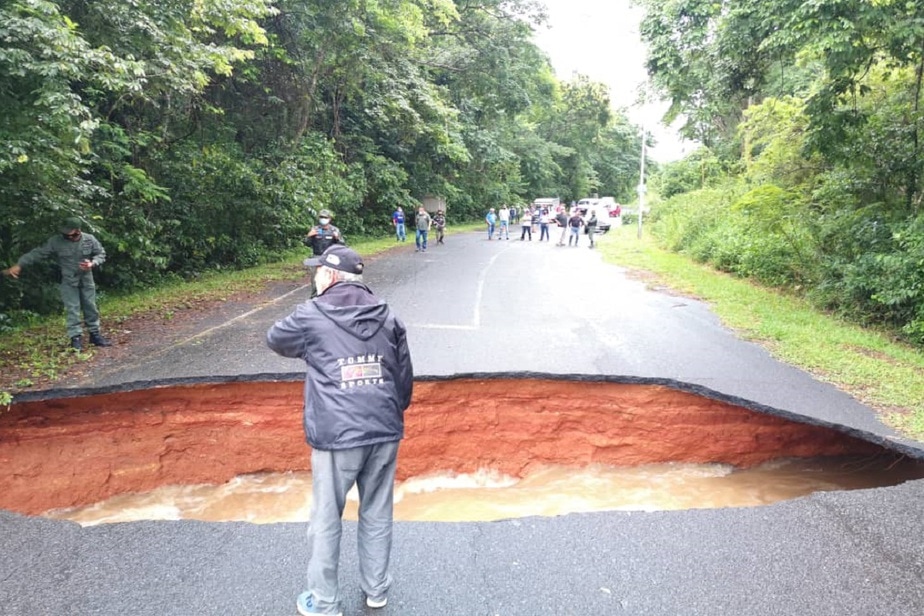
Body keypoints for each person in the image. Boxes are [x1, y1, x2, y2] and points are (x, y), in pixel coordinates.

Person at [266, 244, 414, 616]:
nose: (313, 275)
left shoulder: (311, 314)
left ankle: (325, 602)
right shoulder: (388, 313)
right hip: (384, 427)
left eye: (317, 270)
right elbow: (404, 378)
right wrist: (391, 411)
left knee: (327, 517)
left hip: (336, 435)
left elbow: (276, 338)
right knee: (377, 511)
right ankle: (376, 591)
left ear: (330, 275)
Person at [2, 216, 111, 351]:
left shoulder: (89, 239)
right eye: (64, 233)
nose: (66, 236)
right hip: (68, 280)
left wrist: (92, 263)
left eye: (69, 233)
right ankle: (75, 338)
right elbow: (38, 253)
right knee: (72, 309)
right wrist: (20, 264)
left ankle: (95, 335)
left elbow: (101, 254)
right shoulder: (56, 241)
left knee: (91, 307)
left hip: (86, 278)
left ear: (78, 231)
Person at [303, 209, 343, 298]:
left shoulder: (334, 230)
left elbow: (342, 245)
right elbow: (306, 243)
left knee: (331, 279)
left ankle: (330, 297)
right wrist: (309, 236)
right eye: (321, 217)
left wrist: (337, 238)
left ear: (329, 218)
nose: (323, 219)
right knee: (315, 279)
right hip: (316, 257)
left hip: (330, 257)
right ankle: (314, 298)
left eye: (325, 217)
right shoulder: (315, 229)